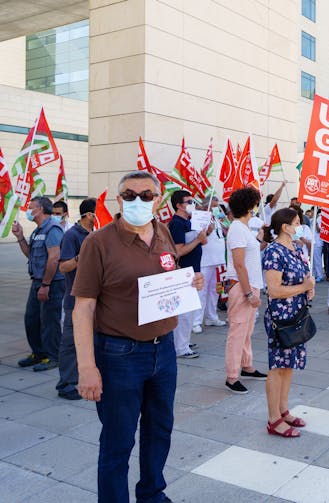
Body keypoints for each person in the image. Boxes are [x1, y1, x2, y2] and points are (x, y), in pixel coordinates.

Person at [72, 171, 204, 503]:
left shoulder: (161, 232)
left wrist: (188, 284)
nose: (137, 201)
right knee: (118, 442)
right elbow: (83, 308)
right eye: (129, 195)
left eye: (146, 195)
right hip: (118, 356)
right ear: (119, 200)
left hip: (164, 353)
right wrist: (87, 368)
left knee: (159, 431)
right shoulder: (97, 243)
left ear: (158, 200)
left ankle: (152, 494)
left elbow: (165, 279)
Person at [262, 208, 314, 438]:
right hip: (282, 316)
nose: (299, 227)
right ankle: (273, 418)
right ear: (285, 227)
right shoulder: (274, 251)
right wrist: (302, 288)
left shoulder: (297, 248)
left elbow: (303, 277)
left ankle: (283, 410)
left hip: (298, 313)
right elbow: (273, 289)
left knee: (289, 364)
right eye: (296, 223)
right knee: (278, 366)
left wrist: (308, 288)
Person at [12, 196, 64, 372]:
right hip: (37, 282)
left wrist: (46, 285)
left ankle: (53, 356)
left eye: (31, 206)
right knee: (31, 319)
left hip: (51, 284)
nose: (28, 209)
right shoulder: (37, 231)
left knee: (50, 321)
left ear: (40, 209)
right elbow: (30, 254)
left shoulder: (53, 229)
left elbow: (54, 258)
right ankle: (39, 353)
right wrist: (20, 237)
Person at [224, 188, 267, 394]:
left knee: (247, 331)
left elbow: (248, 256)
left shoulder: (243, 228)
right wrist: (249, 293)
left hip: (251, 285)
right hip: (242, 287)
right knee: (238, 331)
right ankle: (232, 377)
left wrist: (259, 240)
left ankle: (247, 365)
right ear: (251, 206)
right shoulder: (236, 229)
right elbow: (239, 264)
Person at [56, 197, 96, 400]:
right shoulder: (72, 235)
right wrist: (81, 257)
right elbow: (63, 266)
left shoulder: (96, 235)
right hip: (75, 298)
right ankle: (66, 383)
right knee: (71, 343)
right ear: (89, 215)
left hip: (94, 298)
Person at [168, 190, 213, 358]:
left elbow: (203, 242)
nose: (192, 205)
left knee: (190, 310)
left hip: (194, 270)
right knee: (184, 314)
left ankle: (184, 341)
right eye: (189, 202)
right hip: (184, 271)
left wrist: (205, 232)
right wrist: (198, 239)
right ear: (179, 205)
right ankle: (180, 347)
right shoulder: (177, 224)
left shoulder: (190, 221)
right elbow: (178, 251)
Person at [196, 196, 227, 330]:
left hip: (219, 260)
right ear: (205, 206)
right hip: (205, 261)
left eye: (217, 206)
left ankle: (212, 317)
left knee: (216, 290)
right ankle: (196, 321)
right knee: (201, 292)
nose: (217, 208)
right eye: (214, 206)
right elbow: (199, 238)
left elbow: (224, 234)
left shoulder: (218, 219)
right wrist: (207, 231)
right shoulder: (199, 218)